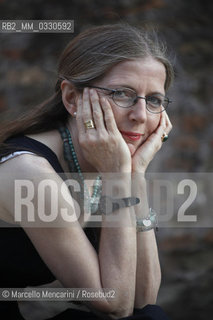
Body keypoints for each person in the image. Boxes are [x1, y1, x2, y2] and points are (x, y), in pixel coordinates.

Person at [0, 23, 173, 319]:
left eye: (154, 100)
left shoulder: (108, 164)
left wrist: (135, 175)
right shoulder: (28, 171)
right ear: (71, 98)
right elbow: (113, 304)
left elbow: (143, 299)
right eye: (122, 94)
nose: (141, 115)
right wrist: (118, 176)